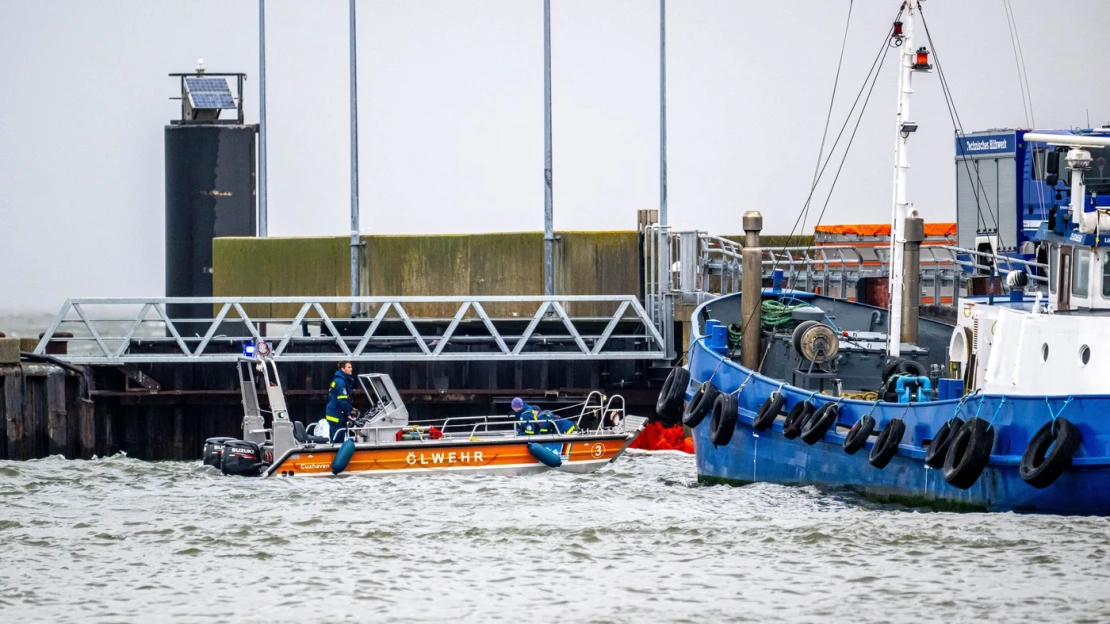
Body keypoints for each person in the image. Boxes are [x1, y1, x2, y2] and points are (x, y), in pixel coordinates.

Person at [325, 361, 357, 442]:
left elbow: (340, 399)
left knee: (337, 437)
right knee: (337, 439)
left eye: (351, 367)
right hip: (336, 415)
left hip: (334, 412)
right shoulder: (340, 382)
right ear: (343, 369)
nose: (351, 369)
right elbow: (342, 400)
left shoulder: (339, 380)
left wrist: (350, 408)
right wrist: (347, 413)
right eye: (349, 367)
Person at [511, 397, 575, 435]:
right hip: (566, 425)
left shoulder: (537, 418)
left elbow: (534, 431)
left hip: (565, 428)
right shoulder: (538, 417)